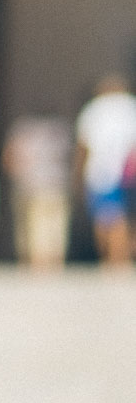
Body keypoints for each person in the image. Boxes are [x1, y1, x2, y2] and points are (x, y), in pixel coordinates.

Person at [75, 73, 136, 267]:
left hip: (101, 172)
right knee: (122, 216)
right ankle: (119, 257)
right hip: (126, 173)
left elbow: (83, 146)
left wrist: (78, 174)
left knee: (105, 217)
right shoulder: (130, 107)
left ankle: (111, 258)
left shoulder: (94, 110)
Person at [3, 114, 73, 270]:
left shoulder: (22, 131)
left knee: (34, 227)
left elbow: (9, 158)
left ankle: (37, 264)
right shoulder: (59, 132)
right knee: (55, 227)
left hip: (31, 185)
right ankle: (53, 263)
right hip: (55, 184)